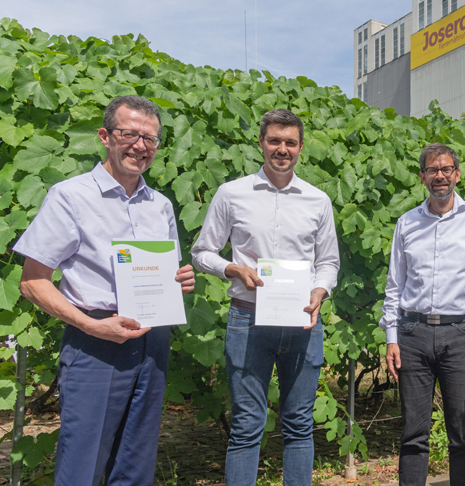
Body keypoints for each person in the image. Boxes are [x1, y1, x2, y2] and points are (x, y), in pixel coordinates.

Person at [14, 95, 195, 486]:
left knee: (136, 462)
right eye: (128, 133)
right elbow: (32, 281)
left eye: (150, 138)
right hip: (94, 341)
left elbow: (164, 276)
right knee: (83, 462)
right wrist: (92, 327)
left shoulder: (160, 206)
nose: (140, 146)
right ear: (104, 136)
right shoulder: (71, 196)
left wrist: (180, 281)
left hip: (153, 340)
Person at [191, 108, 339, 486]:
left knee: (299, 424)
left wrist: (321, 289)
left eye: (290, 142)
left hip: (302, 322)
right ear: (261, 143)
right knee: (245, 425)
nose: (282, 149)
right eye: (274, 140)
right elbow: (202, 252)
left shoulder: (317, 200)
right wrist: (232, 269)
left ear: (301, 148)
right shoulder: (232, 194)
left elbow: (329, 262)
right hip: (247, 319)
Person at [380, 143, 465, 486]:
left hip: (462, 335)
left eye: (446, 169)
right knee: (413, 434)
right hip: (413, 336)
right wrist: (391, 337)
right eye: (432, 170)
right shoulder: (406, 223)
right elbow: (394, 285)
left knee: (463, 435)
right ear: (422, 177)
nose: (440, 176)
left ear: (457, 174)